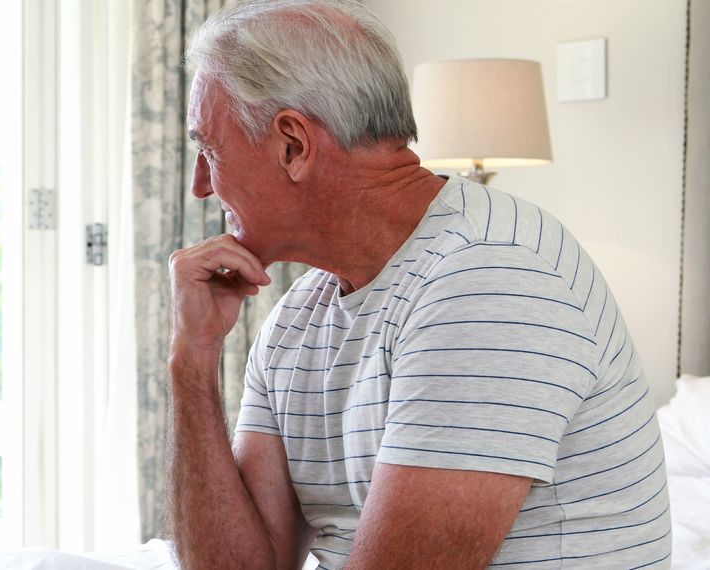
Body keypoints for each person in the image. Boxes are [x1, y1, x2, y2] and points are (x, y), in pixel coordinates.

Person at [165, 0, 672, 568]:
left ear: (294, 144)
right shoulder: (297, 318)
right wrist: (192, 357)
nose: (200, 186)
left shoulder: (492, 277)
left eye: (209, 151)